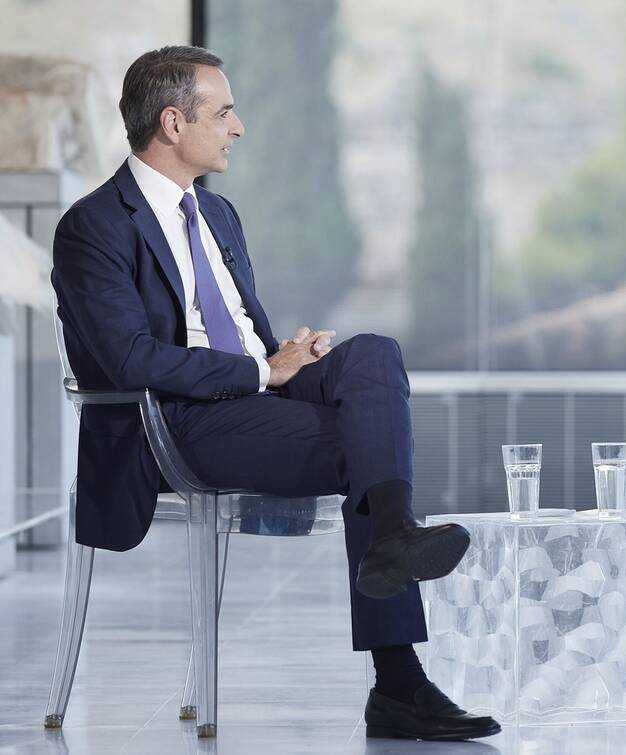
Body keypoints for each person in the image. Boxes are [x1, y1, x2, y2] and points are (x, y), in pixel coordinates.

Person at [50, 46, 499, 742]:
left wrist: (284, 360)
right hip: (177, 422)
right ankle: (398, 679)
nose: (238, 126)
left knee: (373, 354)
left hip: (252, 391)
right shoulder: (95, 225)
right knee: (369, 446)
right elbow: (129, 359)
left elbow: (239, 333)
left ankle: (392, 532)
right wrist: (262, 372)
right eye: (224, 112)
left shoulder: (219, 214)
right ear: (173, 123)